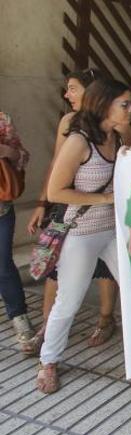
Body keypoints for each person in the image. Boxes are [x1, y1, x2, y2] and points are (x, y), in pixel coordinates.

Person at [36, 78, 131, 394]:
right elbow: (56, 190)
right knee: (70, 299)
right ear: (106, 105)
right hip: (81, 232)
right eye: (125, 104)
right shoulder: (79, 142)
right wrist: (104, 199)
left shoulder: (116, 136)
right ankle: (48, 361)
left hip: (113, 231)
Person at [0, 111, 35, 353]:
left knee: (2, 264)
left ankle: (19, 316)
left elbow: (23, 156)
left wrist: (7, 152)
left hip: (1, 208)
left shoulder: (2, 120)